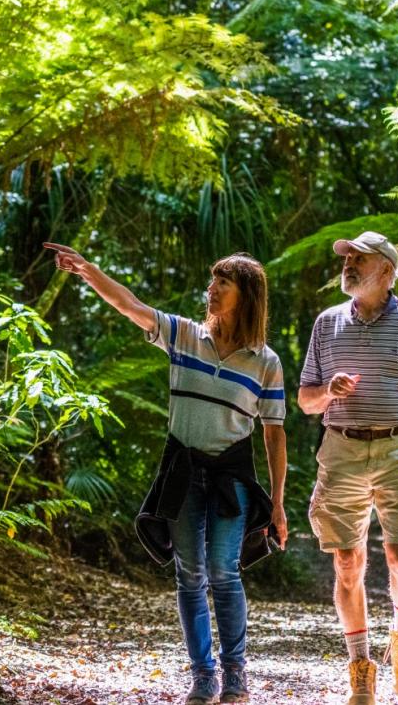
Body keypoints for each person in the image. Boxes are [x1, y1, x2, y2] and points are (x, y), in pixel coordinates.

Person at [50, 245, 288, 705]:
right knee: (190, 573)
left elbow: (275, 435)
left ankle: (235, 673)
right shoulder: (183, 335)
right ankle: (203, 675)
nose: (211, 289)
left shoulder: (266, 361)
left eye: (223, 282)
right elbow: (130, 306)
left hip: (231, 479)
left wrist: (277, 503)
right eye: (212, 280)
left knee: (224, 571)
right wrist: (89, 270)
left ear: (248, 296)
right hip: (182, 472)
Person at [298, 231, 398, 705]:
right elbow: (306, 401)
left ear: (386, 271)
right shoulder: (326, 324)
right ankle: (360, 664)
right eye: (347, 259)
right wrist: (329, 391)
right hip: (341, 450)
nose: (347, 265)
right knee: (348, 562)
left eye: (358, 259)